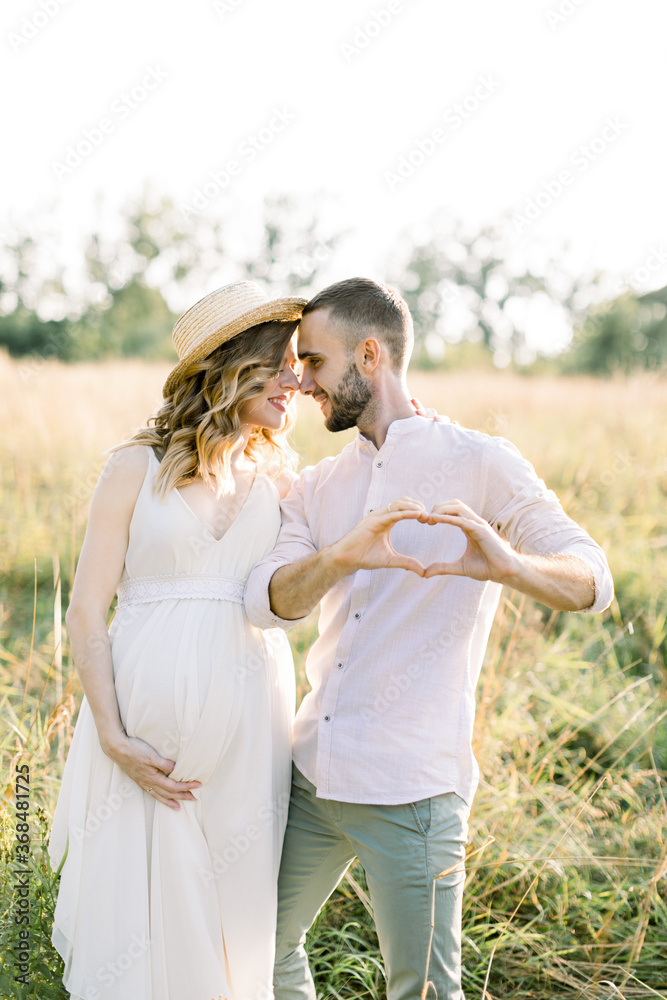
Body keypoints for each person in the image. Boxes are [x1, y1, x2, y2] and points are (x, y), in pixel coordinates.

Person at [244, 277, 614, 1000]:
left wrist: (510, 567)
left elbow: (591, 578)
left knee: (422, 992)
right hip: (312, 774)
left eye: (313, 362)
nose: (299, 379)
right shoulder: (317, 485)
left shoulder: (482, 462)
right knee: (258, 951)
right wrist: (339, 556)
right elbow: (270, 604)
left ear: (370, 355)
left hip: (411, 791)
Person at [49, 281, 307, 1000]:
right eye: (280, 362)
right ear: (230, 365)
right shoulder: (134, 466)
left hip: (254, 733)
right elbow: (86, 610)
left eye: (298, 363)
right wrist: (109, 733)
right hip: (141, 739)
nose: (296, 378)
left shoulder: (280, 477)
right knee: (143, 925)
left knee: (235, 913)